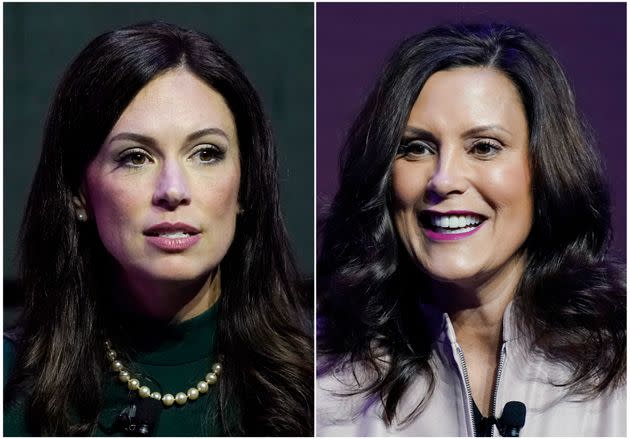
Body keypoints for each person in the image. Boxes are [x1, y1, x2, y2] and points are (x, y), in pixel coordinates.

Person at [4, 21, 313, 436]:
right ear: (79, 193)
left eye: (206, 153)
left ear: (245, 186)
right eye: (135, 157)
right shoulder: (11, 387)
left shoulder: (322, 389)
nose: (173, 190)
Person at [317, 23, 625, 436]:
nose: (443, 180)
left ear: (545, 169)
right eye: (417, 148)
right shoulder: (317, 368)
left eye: (484, 147)